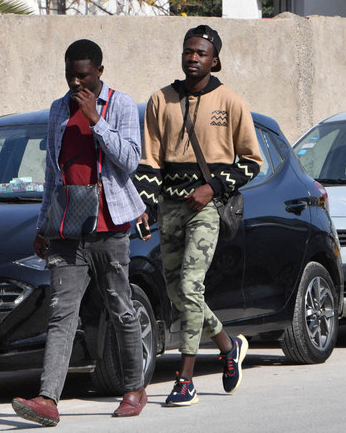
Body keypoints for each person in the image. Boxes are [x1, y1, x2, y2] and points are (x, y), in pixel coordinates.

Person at [12, 39, 147, 426]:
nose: (76, 82)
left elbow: (130, 160)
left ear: (100, 72)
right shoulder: (57, 109)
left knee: (120, 308)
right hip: (67, 229)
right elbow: (53, 175)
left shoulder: (119, 105)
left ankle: (134, 388)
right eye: (71, 74)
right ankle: (48, 400)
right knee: (61, 314)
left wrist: (96, 121)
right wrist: (43, 226)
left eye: (84, 75)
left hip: (111, 227)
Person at [134, 25, 263, 406]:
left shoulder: (231, 101)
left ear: (214, 60)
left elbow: (253, 162)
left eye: (201, 53)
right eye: (188, 51)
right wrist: (145, 204)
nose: (193, 57)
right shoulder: (161, 100)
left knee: (190, 288)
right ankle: (227, 345)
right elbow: (150, 160)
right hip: (169, 207)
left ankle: (185, 378)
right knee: (178, 291)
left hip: (206, 208)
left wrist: (214, 187)